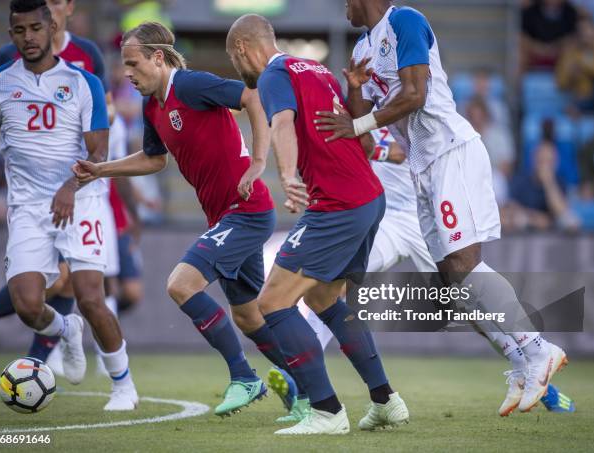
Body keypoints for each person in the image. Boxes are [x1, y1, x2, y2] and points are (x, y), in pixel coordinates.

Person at [314, 0, 568, 414]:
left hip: (452, 151)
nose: (343, 6)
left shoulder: (405, 21)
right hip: (423, 165)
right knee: (453, 280)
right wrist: (356, 92)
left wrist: (358, 122)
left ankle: (539, 349)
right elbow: (362, 140)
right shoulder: (361, 51)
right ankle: (522, 362)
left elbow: (415, 94)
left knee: (465, 265)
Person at [73, 21, 306, 418]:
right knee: (248, 316)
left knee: (181, 284)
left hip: (246, 211)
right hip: (225, 217)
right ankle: (305, 393)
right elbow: (154, 158)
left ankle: (244, 377)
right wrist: (102, 169)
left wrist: (260, 163)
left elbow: (252, 96)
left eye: (133, 64)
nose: (127, 74)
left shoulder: (191, 85)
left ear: (158, 57)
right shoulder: (153, 106)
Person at [226, 14, 410, 435]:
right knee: (327, 300)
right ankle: (385, 401)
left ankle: (326, 410)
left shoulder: (274, 74)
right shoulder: (316, 68)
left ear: (240, 50)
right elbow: (350, 129)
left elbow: (283, 123)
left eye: (232, 60)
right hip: (368, 196)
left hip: (338, 203)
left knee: (272, 303)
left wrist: (287, 175)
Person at [0, 0, 138, 410]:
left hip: (82, 200)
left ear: (51, 27)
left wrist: (71, 186)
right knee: (27, 305)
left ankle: (123, 385)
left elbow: (100, 150)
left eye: (36, 28)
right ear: (11, 34)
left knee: (91, 296)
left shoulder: (82, 80)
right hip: (28, 208)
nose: (29, 37)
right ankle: (65, 329)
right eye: (20, 31)